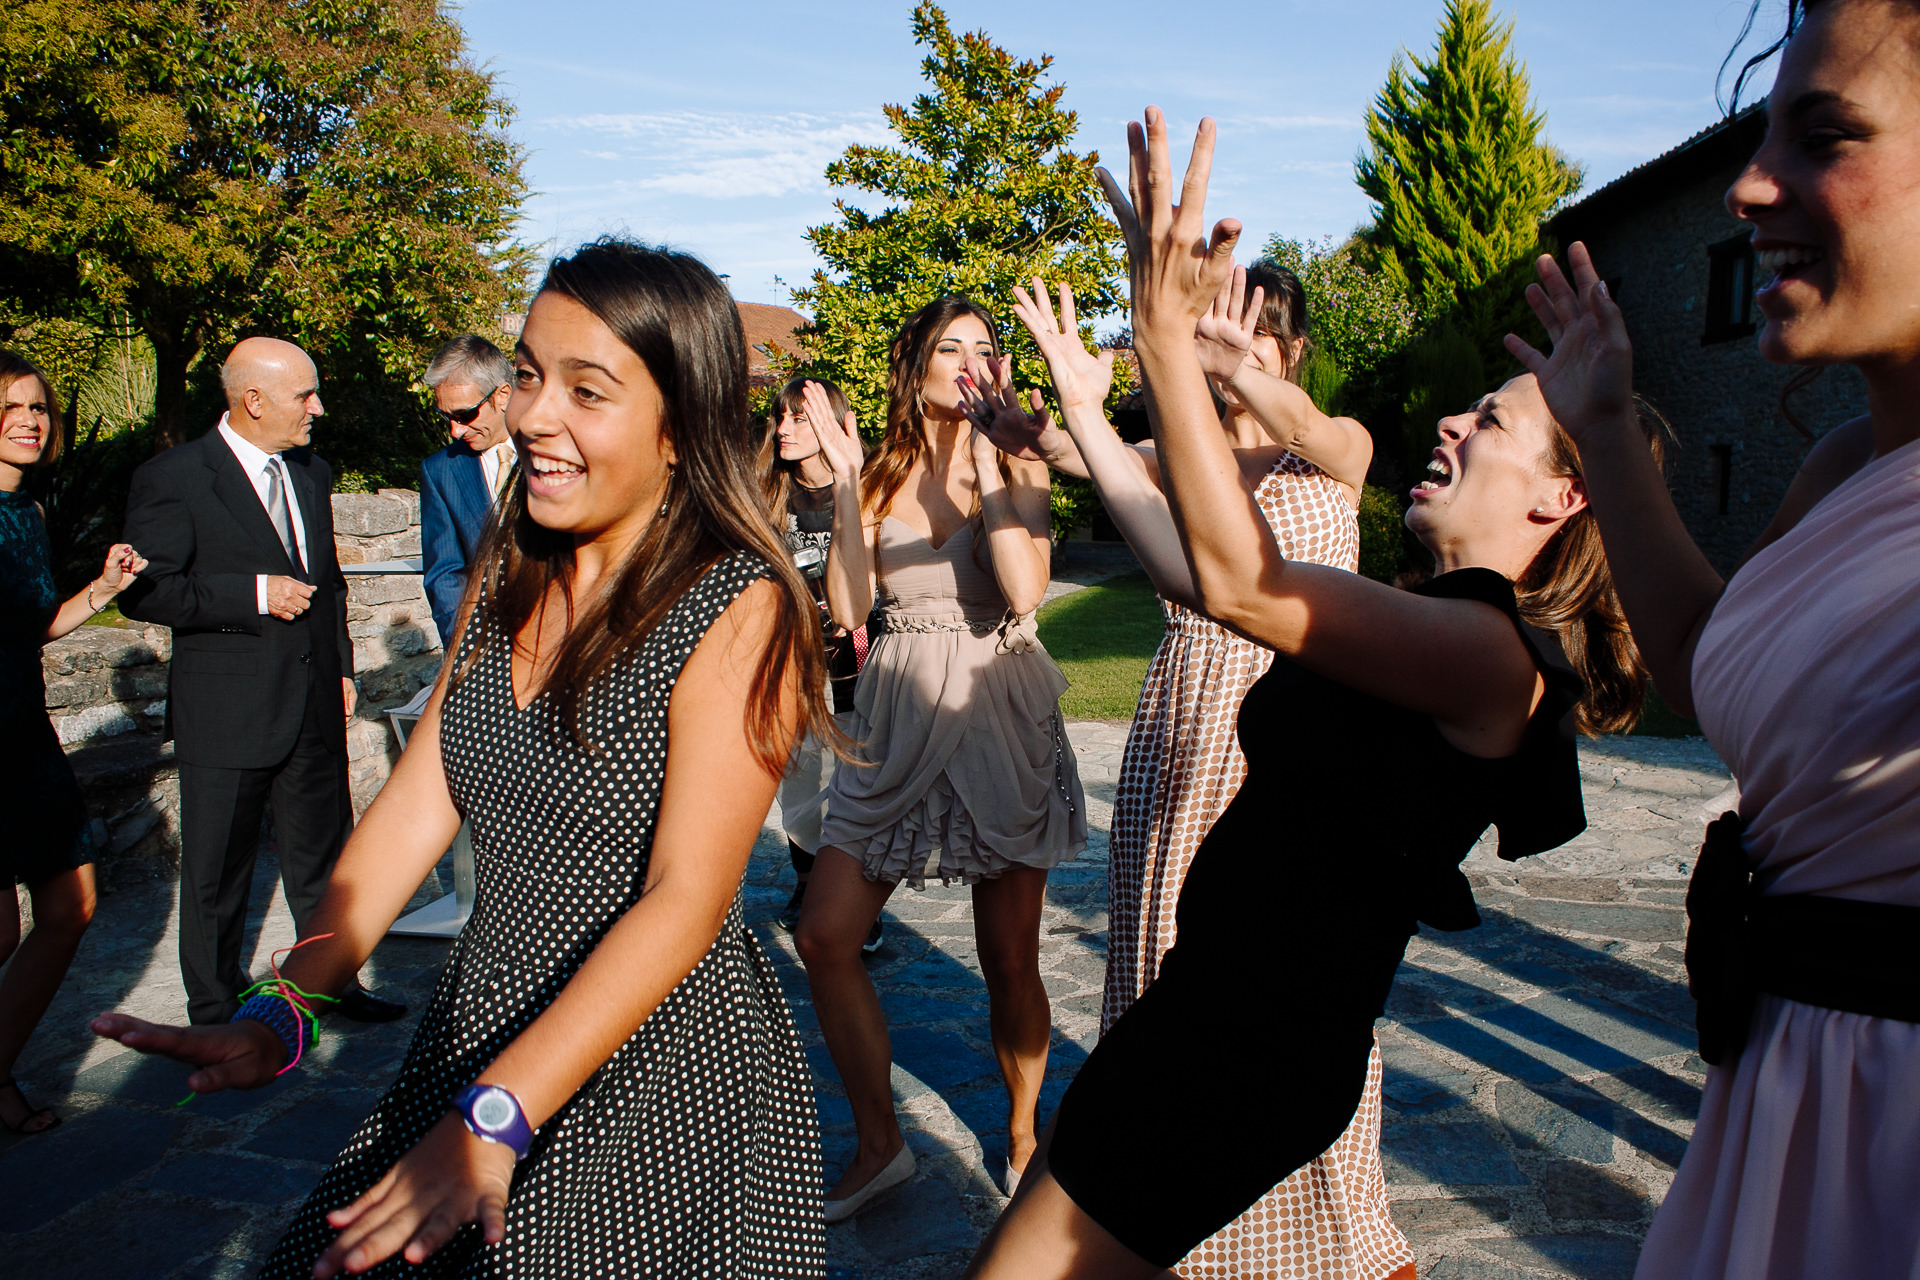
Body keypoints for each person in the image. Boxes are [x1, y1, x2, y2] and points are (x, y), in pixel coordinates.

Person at [965, 109, 1658, 1280]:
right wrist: (1094, 402)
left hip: (1247, 1052)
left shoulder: (1494, 655)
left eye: (1488, 422)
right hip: (1205, 1017)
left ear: (1562, 501)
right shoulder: (1420, 611)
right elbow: (1193, 567)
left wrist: (1165, 337)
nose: (1449, 421)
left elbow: (1240, 580)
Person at [92, 238, 833, 1277]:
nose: (532, 413)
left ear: (679, 428)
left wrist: (494, 1112)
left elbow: (685, 899)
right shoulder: (510, 567)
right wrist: (288, 1004)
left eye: (588, 388)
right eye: (529, 372)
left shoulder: (739, 603)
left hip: (660, 1067)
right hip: (486, 1010)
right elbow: (411, 805)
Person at [1503, 3, 1920, 1275]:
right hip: (1780, 1095)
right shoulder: (1847, 464)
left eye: (1825, 134)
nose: (1748, 185)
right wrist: (1610, 426)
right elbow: (1702, 669)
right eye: (1759, 137)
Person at [992, 276, 1415, 1279]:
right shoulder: (1185, 459)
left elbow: (1320, 428)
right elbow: (1079, 455)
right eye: (1220, 322)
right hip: (1184, 728)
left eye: (1261, 329)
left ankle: (1334, 1234)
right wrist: (1044, 414)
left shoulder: (1333, 447)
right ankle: (1176, 1217)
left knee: (1287, 990)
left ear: (1293, 349)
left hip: (1293, 738)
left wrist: (1224, 362)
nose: (1236, 342)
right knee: (1161, 962)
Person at [793, 297, 1087, 1221]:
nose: (970, 360)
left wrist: (1000, 458)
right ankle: (882, 1146)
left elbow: (1026, 586)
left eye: (983, 348)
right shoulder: (874, 472)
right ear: (912, 365)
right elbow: (846, 604)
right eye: (948, 347)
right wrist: (844, 482)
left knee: (1008, 959)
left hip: (996, 702)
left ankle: (1026, 1129)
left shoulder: (1020, 454)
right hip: (896, 712)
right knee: (824, 935)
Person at [117, 338, 404, 1026]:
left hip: (311, 702)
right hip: (227, 708)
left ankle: (329, 983)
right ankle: (214, 1006)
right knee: (218, 870)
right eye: (305, 395)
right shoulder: (175, 477)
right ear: (253, 401)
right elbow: (146, 591)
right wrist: (251, 593)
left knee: (325, 856)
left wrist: (339, 667)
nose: (318, 408)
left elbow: (329, 584)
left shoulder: (311, 472)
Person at [0, 351, 144, 1135]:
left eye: (38, 408)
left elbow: (36, 628)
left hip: (24, 733)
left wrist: (103, 590)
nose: (28, 419)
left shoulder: (30, 515)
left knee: (71, 905)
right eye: (10, 407)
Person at [759, 376, 880, 954]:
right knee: (798, 775)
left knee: (850, 780)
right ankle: (807, 883)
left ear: (831, 422)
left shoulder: (866, 485)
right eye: (779, 418)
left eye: (799, 419)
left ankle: (853, 899)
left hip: (856, 657)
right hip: (788, 658)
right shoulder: (766, 491)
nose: (783, 429)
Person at [420, 335, 516, 648]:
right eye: (446, 416)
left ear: (502, 395)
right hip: (486, 654)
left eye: (464, 414)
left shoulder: (556, 452)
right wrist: (467, 651)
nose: (455, 431)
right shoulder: (441, 471)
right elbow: (445, 575)